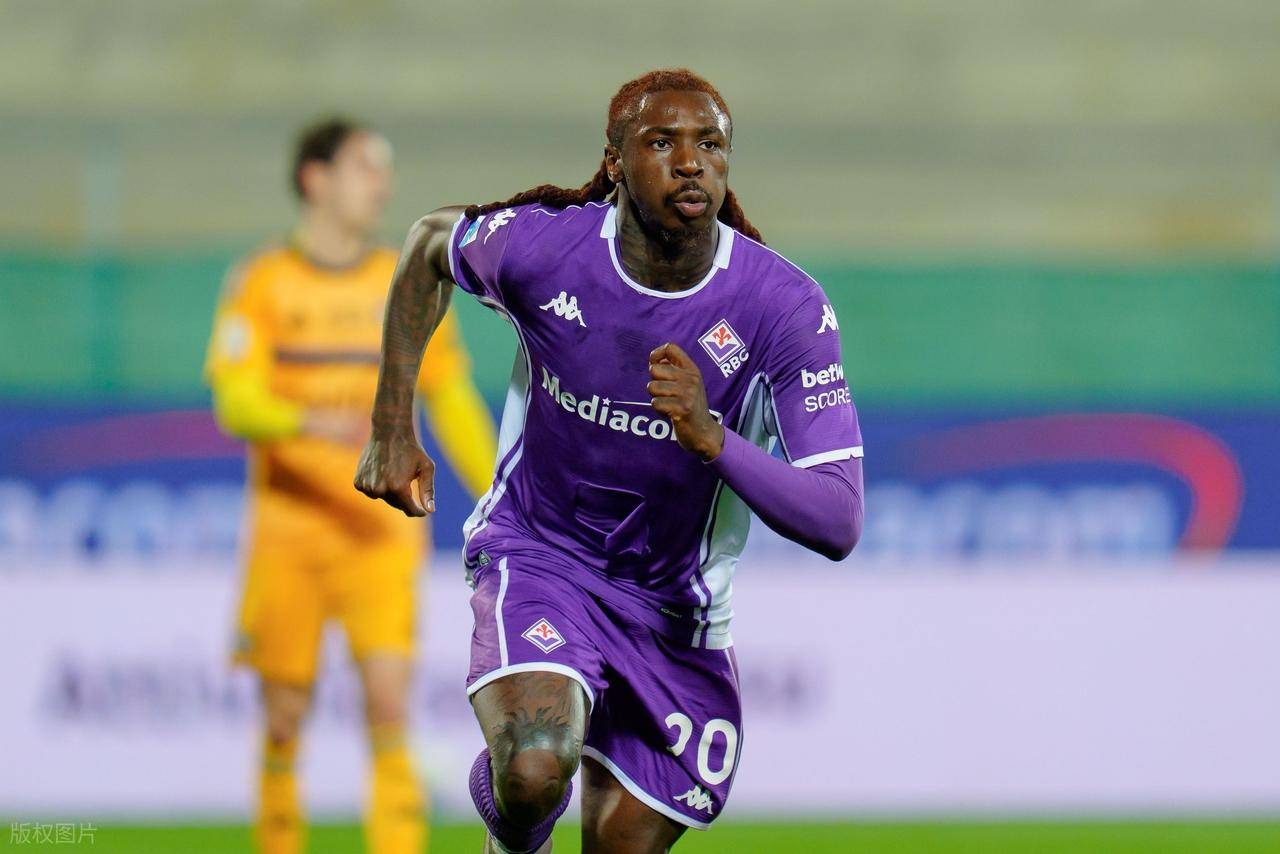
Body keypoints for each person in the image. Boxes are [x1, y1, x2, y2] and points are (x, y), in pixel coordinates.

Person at [356, 69, 864, 853]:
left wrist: (713, 438)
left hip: (675, 616)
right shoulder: (546, 249)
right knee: (534, 766)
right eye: (662, 143)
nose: (690, 162)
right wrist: (392, 426)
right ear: (616, 161)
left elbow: (838, 517)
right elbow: (428, 243)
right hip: (542, 555)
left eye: (710, 144)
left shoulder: (783, 308)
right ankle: (513, 826)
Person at [205, 117, 498, 854]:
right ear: (317, 178)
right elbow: (235, 400)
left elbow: (451, 398)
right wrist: (311, 421)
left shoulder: (403, 282)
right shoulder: (262, 282)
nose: (382, 185)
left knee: (389, 708)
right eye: (366, 167)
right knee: (282, 718)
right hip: (289, 534)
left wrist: (501, 489)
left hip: (380, 534)